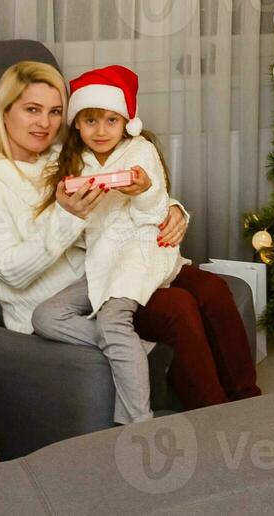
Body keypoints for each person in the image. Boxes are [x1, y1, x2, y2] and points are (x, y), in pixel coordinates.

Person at [0, 61, 259, 423]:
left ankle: (249, 403)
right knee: (177, 307)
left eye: (54, 112)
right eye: (32, 110)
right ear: (3, 112)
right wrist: (69, 217)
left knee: (210, 288)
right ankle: (214, 419)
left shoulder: (59, 157)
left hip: (108, 270)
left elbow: (119, 200)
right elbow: (12, 271)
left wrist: (174, 210)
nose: (44, 124)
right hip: (69, 304)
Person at [27, 65, 189, 424]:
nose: (101, 131)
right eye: (90, 121)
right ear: (77, 124)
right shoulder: (73, 163)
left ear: (126, 123)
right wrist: (69, 210)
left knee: (114, 322)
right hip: (101, 260)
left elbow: (155, 215)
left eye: (111, 121)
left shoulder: (141, 151)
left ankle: (136, 423)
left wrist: (145, 192)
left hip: (141, 250)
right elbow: (78, 233)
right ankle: (144, 351)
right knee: (46, 316)